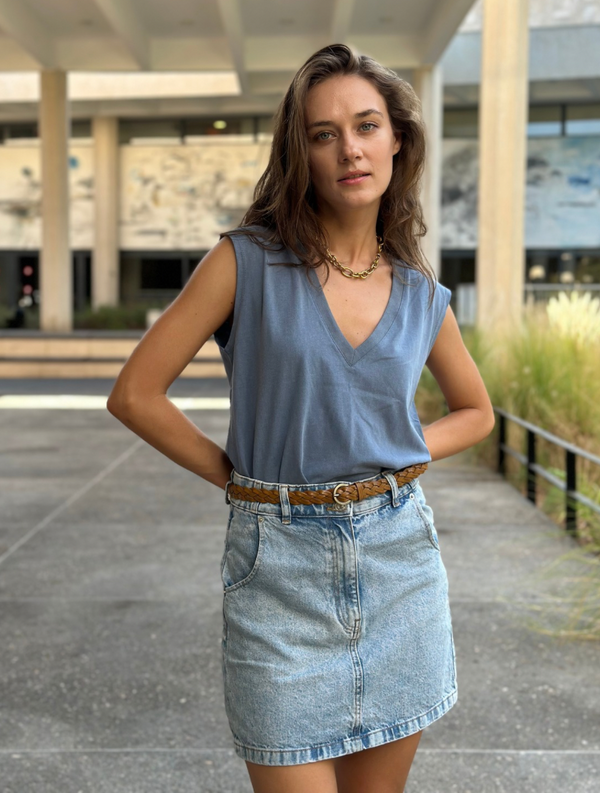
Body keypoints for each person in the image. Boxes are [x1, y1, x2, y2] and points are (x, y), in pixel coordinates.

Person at [107, 43, 495, 793]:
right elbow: (136, 393)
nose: (349, 147)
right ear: (302, 152)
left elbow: (476, 412)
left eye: (367, 125)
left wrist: (406, 452)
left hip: (399, 569)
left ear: (397, 142)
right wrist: (237, 476)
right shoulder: (246, 261)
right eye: (324, 133)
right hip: (276, 572)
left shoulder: (419, 292)